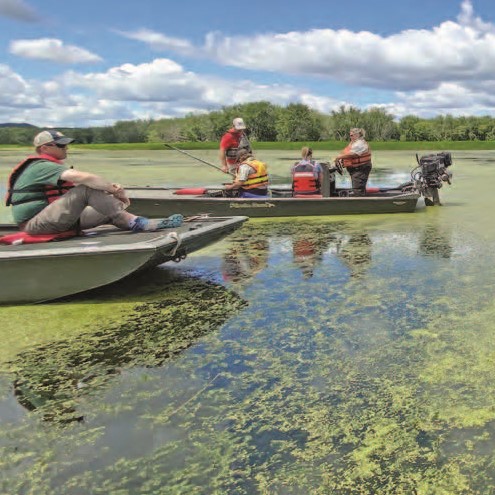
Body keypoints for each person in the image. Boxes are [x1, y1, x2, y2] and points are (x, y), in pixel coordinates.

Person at [5, 129, 183, 235]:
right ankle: (138, 222)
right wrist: (115, 190)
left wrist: (109, 192)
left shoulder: (49, 167)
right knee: (86, 188)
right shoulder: (40, 166)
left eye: (66, 144)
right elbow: (85, 179)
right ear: (44, 148)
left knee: (104, 207)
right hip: (35, 225)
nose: (66, 148)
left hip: (55, 220)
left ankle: (134, 222)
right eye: (61, 145)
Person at [334, 127, 372, 196]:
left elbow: (353, 154)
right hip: (356, 170)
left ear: (357, 135)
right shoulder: (354, 143)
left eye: (351, 135)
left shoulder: (360, 143)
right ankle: (360, 198)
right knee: (358, 188)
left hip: (360, 169)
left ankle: (359, 203)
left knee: (358, 190)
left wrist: (339, 157)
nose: (350, 137)